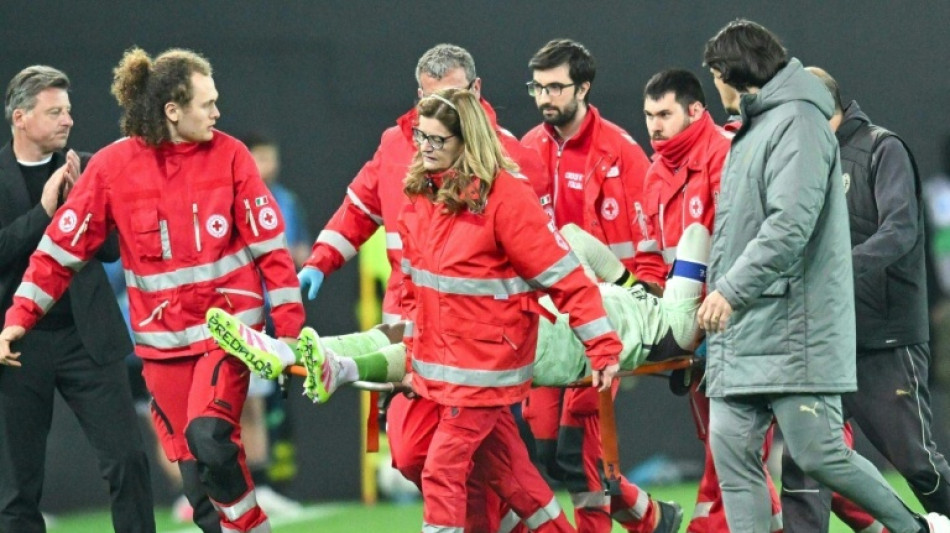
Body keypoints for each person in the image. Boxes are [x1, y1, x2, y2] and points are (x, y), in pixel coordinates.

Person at [0, 48, 305, 533]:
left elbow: (273, 251)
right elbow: (60, 252)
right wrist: (18, 316)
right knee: (197, 484)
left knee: (209, 437)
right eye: (207, 103)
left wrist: (288, 332)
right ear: (172, 110)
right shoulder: (111, 167)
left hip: (227, 334)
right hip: (162, 350)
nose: (217, 113)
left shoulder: (231, 156)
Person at [697, 19, 950, 533]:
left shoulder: (860, 142)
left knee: (889, 459)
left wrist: (737, 287)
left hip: (860, 331)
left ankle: (919, 526)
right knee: (767, 463)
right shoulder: (754, 129)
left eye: (714, 73)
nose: (713, 84)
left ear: (729, 70)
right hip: (765, 324)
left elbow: (882, 232)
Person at [298, 43, 546, 533]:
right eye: (432, 100)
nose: (442, 115)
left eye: (454, 99)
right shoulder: (396, 144)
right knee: (414, 455)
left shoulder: (511, 157)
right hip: (411, 327)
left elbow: (544, 255)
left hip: (479, 340)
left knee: (460, 463)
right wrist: (320, 262)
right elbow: (359, 208)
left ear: (476, 92)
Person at [206, 220, 710, 402]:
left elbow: (696, 234)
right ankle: (287, 351)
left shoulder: (677, 331)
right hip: (554, 317)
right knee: (411, 329)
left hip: (562, 343)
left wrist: (651, 278)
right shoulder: (647, 304)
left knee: (432, 344)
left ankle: (336, 366)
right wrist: (632, 280)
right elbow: (576, 240)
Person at [777, 67, 950, 533]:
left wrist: (835, 269)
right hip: (826, 338)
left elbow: (900, 230)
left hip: (883, 338)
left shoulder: (880, 147)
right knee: (804, 459)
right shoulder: (805, 158)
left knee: (916, 461)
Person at [521, 39, 680, 533]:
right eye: (538, 87)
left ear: (583, 87)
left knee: (575, 450)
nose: (545, 97)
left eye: (555, 87)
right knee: (547, 451)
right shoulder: (527, 150)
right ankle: (650, 516)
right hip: (550, 321)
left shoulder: (621, 153)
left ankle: (623, 521)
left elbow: (650, 247)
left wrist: (648, 311)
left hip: (605, 321)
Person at [0, 65, 155, 533]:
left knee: (128, 458)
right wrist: (44, 212)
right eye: (54, 112)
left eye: (68, 110)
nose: (68, 120)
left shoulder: (84, 167)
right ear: (20, 118)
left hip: (86, 338)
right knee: (17, 487)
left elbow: (110, 251)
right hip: (18, 346)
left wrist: (81, 207)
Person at [638, 68, 784, 533]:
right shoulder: (655, 174)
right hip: (696, 335)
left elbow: (746, 251)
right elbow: (648, 257)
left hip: (742, 329)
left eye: (664, 114)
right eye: (648, 115)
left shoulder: (729, 157)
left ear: (696, 111)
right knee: (726, 450)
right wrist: (660, 314)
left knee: (740, 454)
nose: (654, 125)